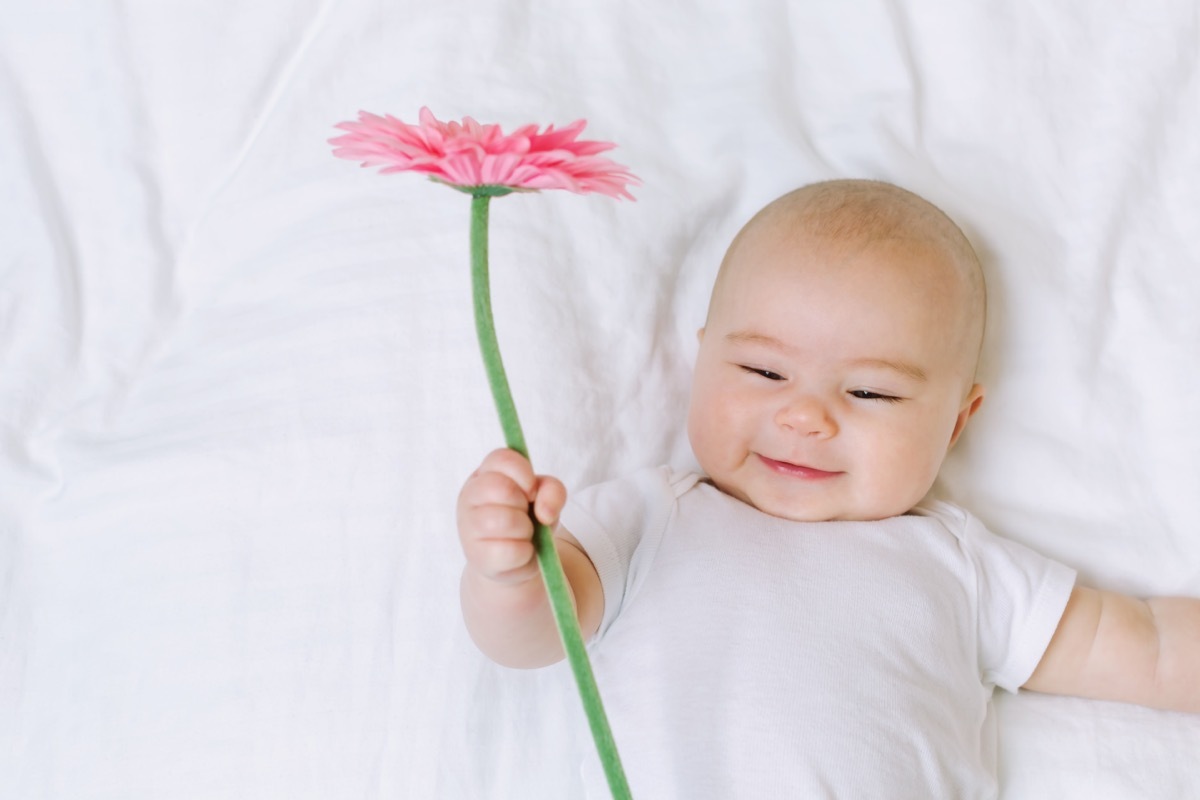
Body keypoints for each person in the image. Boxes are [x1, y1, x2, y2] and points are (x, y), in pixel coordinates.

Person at [456, 179, 1199, 797]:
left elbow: (1150, 647)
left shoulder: (960, 565)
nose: (806, 416)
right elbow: (536, 638)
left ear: (955, 424)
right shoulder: (654, 517)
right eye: (764, 373)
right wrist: (510, 570)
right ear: (704, 356)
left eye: (871, 394)